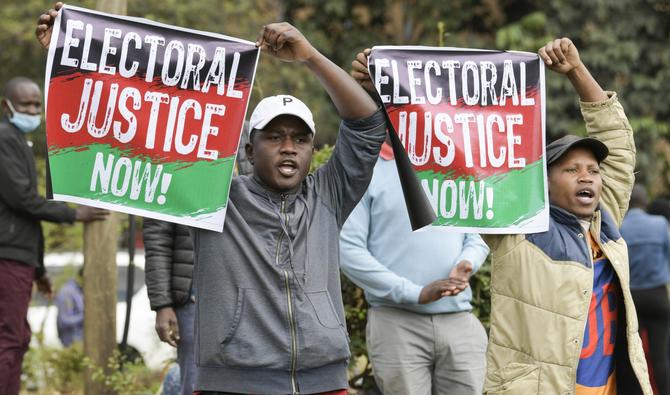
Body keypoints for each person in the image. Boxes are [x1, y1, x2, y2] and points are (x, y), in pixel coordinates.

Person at [37, 6, 387, 394]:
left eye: (300, 139)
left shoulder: (328, 196)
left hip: (324, 382)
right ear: (250, 151)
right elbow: (140, 127)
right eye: (274, 137)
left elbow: (367, 125)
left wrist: (310, 56)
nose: (289, 148)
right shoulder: (214, 199)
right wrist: (71, 50)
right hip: (232, 385)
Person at [480, 38, 652, 394]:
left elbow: (616, 142)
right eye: (572, 170)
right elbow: (462, 161)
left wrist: (576, 69)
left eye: (593, 169)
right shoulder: (519, 226)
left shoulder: (606, 219)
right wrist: (387, 92)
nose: (587, 176)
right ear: (543, 182)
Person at [339, 57, 490, 393]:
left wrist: (467, 264)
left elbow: (477, 232)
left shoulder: (456, 166)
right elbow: (349, 251)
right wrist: (414, 293)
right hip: (396, 324)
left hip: (459, 320)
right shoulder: (368, 169)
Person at [0, 75, 108, 395]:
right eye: (26, 105)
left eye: (37, 104)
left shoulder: (18, 140)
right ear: (7, 106)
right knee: (11, 338)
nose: (33, 111)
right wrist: (74, 214)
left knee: (17, 336)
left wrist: (39, 270)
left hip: (19, 258)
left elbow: (23, 216)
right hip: (8, 257)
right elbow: (22, 199)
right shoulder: (5, 137)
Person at [620, 184, 670, 394]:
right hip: (658, 295)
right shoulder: (660, 224)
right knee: (660, 356)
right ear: (646, 202)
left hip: (632, 298)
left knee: (633, 355)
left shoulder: (620, 227)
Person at [55, 269, 85, 347]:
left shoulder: (80, 291)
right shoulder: (67, 291)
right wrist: (86, 317)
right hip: (72, 342)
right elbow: (65, 320)